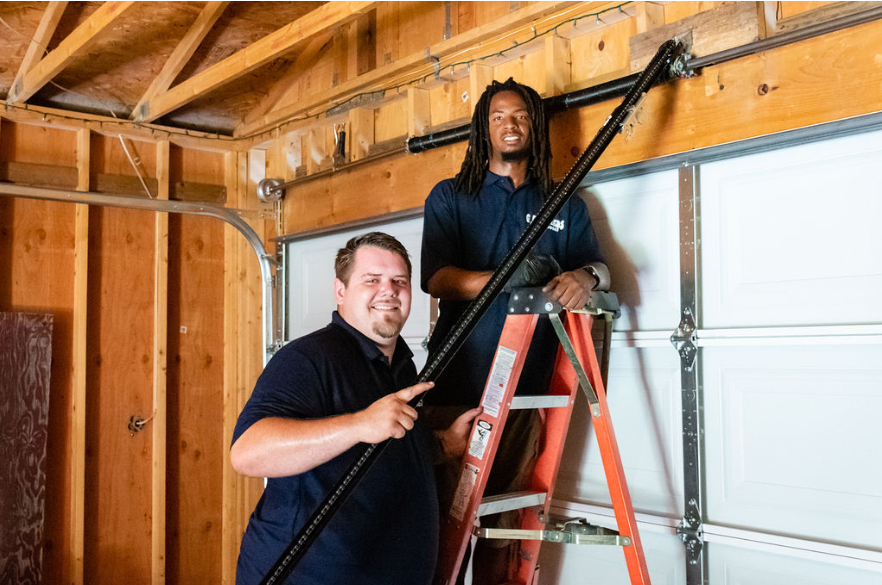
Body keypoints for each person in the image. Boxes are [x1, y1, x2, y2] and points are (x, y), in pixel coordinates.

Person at [421, 78, 610, 584]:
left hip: (525, 394)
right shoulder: (451, 196)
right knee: (441, 522)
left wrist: (584, 277)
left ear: (535, 126)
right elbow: (436, 278)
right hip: (456, 387)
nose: (511, 124)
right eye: (499, 116)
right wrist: (504, 278)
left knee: (503, 529)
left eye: (521, 116)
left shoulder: (563, 202)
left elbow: (599, 268)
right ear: (485, 128)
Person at [231, 232, 480, 585]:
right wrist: (359, 424)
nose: (389, 290)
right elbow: (247, 453)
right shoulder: (308, 358)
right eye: (372, 280)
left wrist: (441, 445)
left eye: (399, 281)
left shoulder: (401, 367)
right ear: (341, 291)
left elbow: (384, 449)